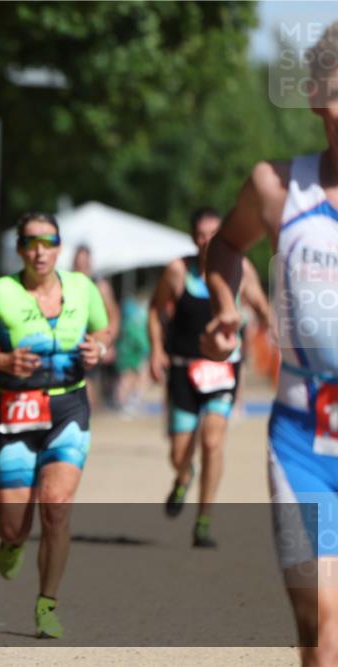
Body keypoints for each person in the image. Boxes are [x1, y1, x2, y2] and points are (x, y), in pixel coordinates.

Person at [202, 23, 338, 666]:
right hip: (304, 439)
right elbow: (225, 246)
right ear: (316, 95)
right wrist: (227, 307)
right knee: (318, 611)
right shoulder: (278, 189)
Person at [0, 212, 112, 639]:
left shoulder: (82, 287)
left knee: (56, 506)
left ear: (59, 245)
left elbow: (105, 328)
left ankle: (47, 604)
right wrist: (3, 360)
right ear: (21, 249)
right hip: (16, 412)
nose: (40, 251)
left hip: (69, 407)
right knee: (13, 524)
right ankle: (11, 542)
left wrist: (99, 347)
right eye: (31, 243)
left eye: (48, 241)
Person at [148, 207, 270, 547]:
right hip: (183, 369)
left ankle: (204, 521)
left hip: (222, 370)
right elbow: (156, 311)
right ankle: (184, 477)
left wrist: (276, 329)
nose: (207, 242)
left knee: (213, 441)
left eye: (214, 235)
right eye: (201, 235)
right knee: (179, 454)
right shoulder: (177, 271)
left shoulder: (241, 269)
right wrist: (156, 350)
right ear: (192, 237)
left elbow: (260, 304)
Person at [72, 245, 121, 409]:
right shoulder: (65, 283)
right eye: (77, 264)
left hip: (92, 342)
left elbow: (113, 315)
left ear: (90, 263)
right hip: (70, 343)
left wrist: (108, 343)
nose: (80, 268)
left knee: (87, 388)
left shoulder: (100, 286)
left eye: (83, 264)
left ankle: (84, 423)